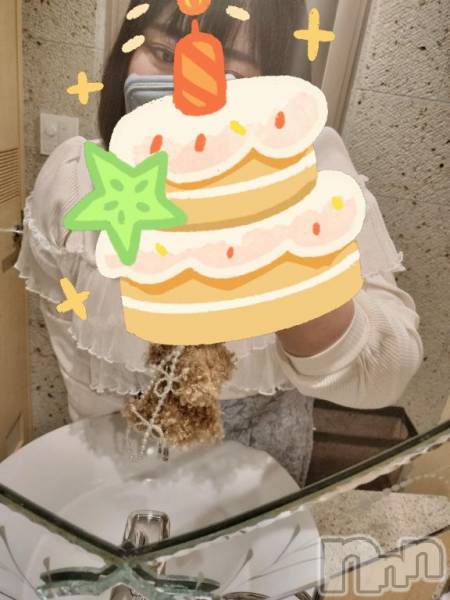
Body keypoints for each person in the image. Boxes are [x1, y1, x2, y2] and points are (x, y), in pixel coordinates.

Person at [16, 0, 423, 487]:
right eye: (165, 56)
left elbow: (385, 373)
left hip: (255, 471)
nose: (190, 92)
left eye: (236, 74)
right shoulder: (72, 182)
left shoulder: (317, 181)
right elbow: (72, 350)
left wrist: (279, 248)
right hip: (113, 455)